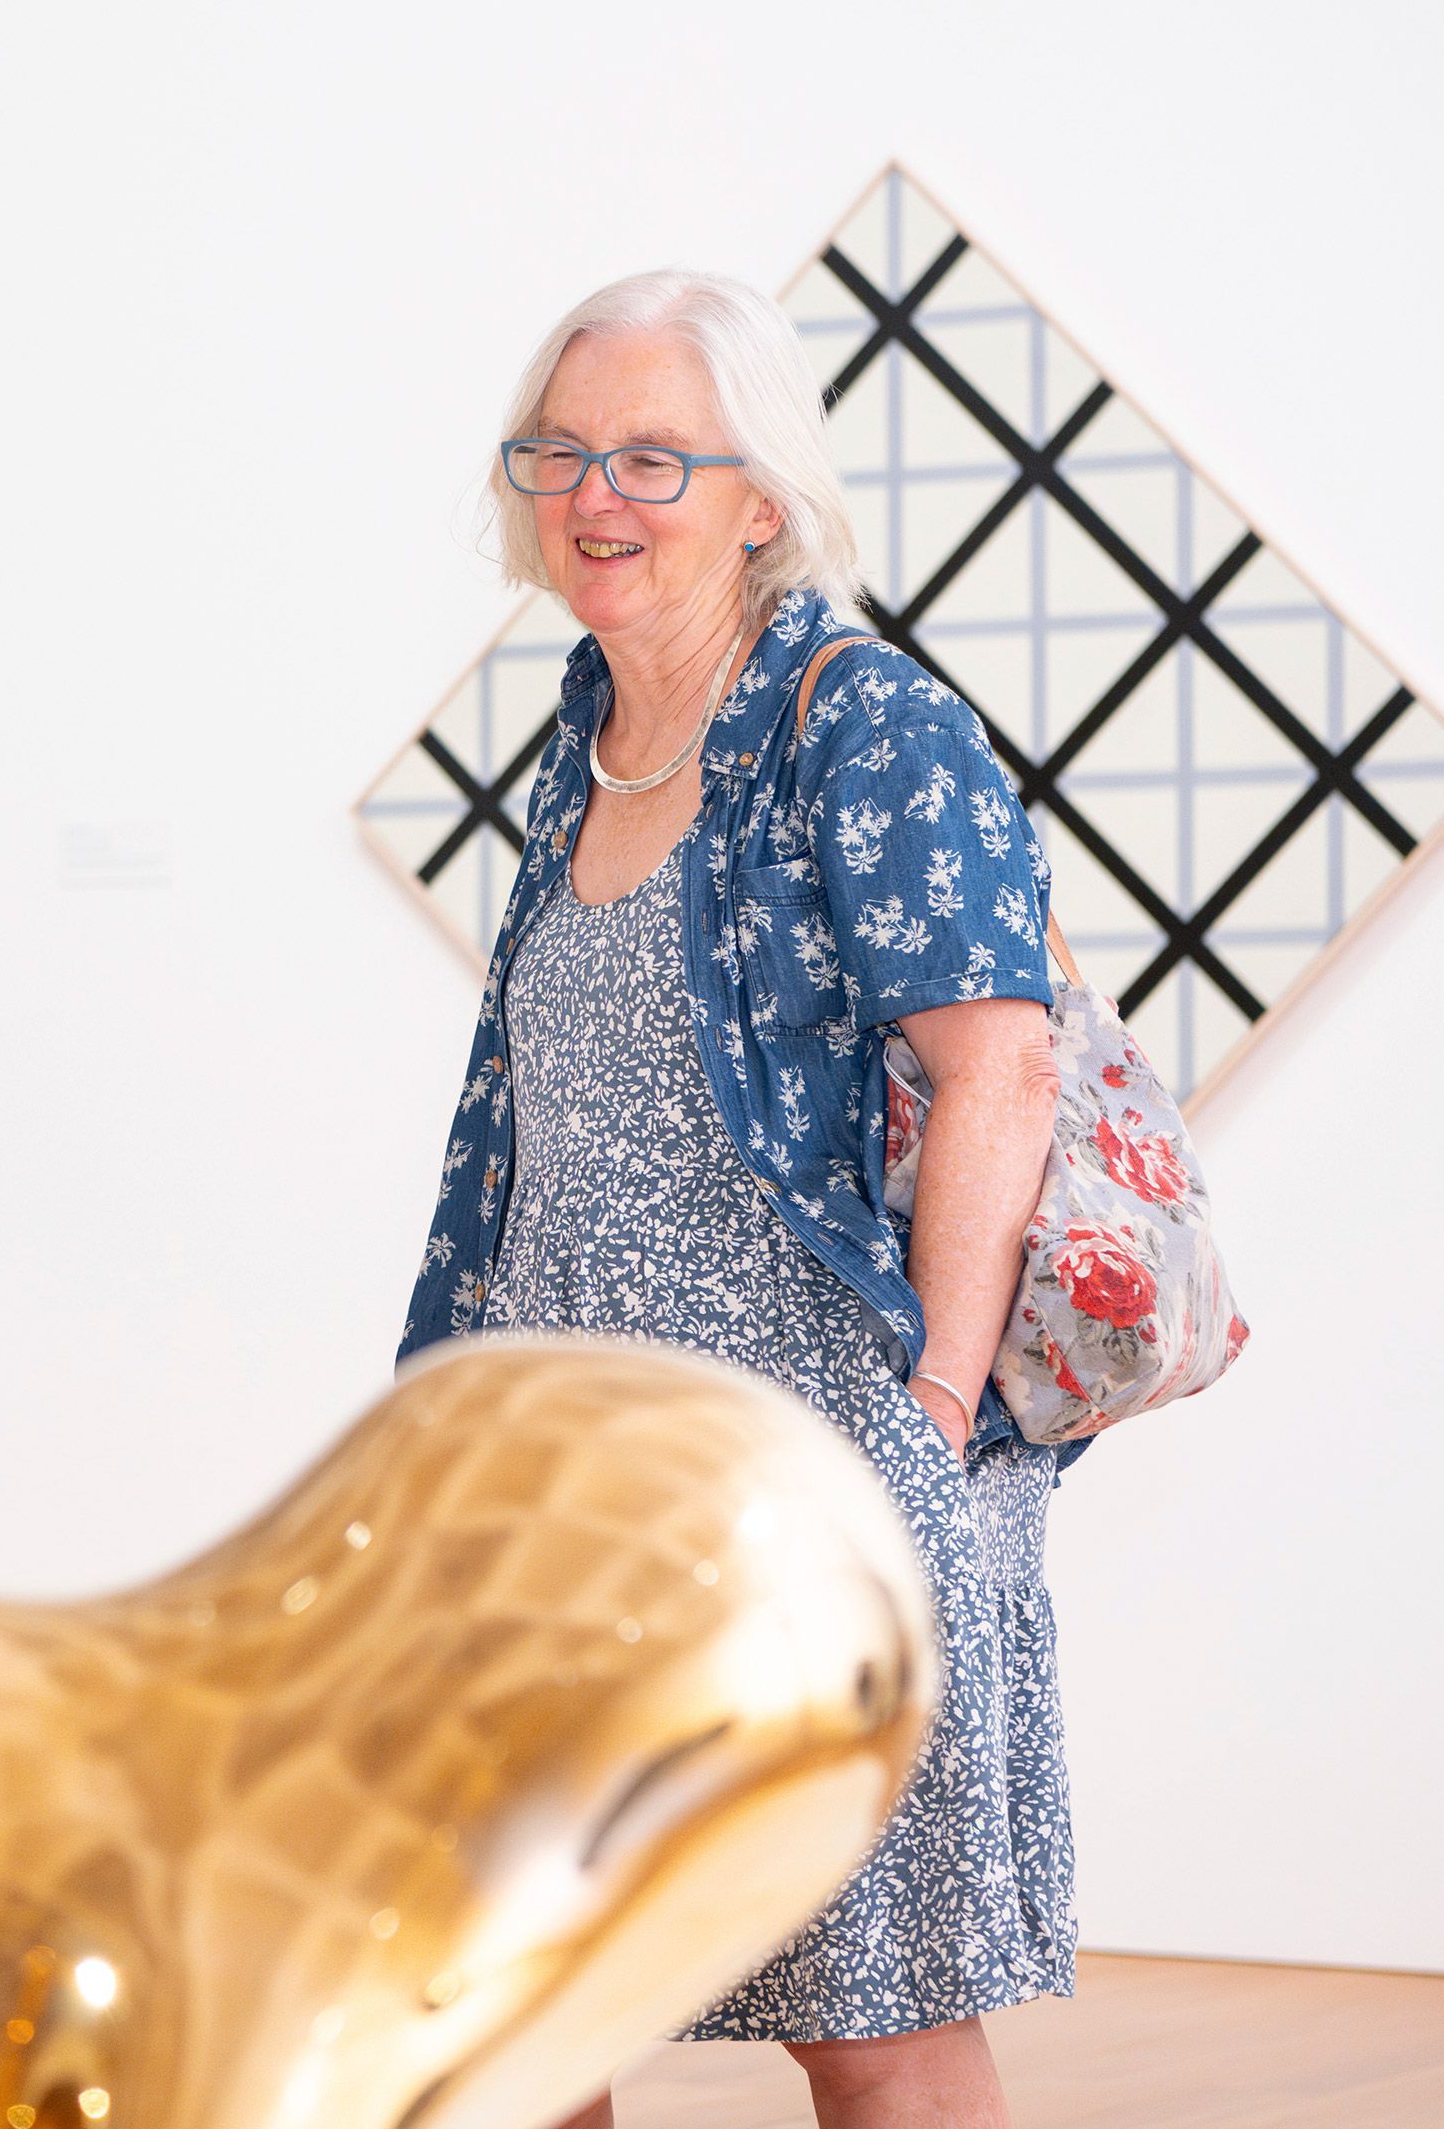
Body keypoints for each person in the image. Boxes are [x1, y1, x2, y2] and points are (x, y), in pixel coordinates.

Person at [393, 272, 1076, 2128]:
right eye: (559, 452)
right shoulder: (587, 732)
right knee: (514, 2000)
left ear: (762, 496)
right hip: (569, 1494)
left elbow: (1000, 1070)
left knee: (870, 2016)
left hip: (817, 1477)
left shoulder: (869, 728)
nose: (592, 495)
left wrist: (926, 1422)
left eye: (651, 458)